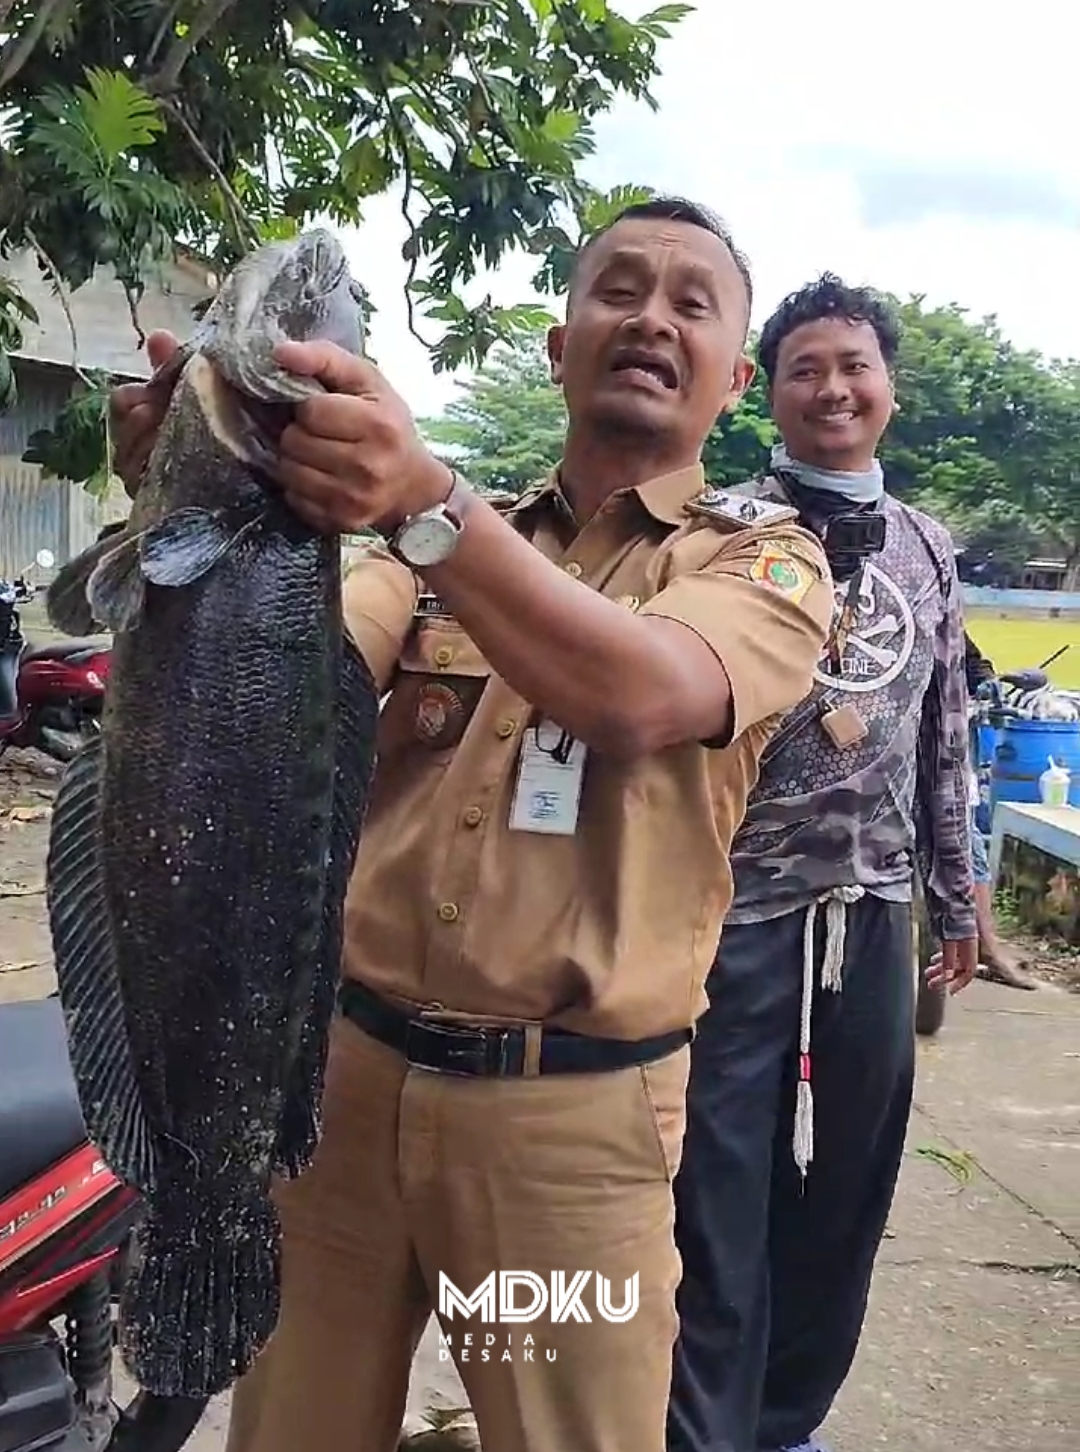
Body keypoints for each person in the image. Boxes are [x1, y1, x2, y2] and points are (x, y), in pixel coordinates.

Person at [109, 197, 834, 1452]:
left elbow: (641, 693)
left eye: (691, 303)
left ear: (732, 380)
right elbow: (277, 669)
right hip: (335, 1093)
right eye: (617, 289)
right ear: (562, 347)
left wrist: (433, 506)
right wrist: (194, 494)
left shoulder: (764, 565)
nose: (650, 318)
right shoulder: (414, 547)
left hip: (565, 1140)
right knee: (292, 1433)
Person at [667, 274, 979, 1452]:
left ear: (889, 389)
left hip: (878, 906)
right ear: (769, 392)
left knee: (849, 1182)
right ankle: (709, 1422)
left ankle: (788, 1419)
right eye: (805, 368)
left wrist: (957, 891)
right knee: (720, 1180)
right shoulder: (727, 529)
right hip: (739, 911)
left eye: (854, 366)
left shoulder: (929, 548)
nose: (833, 388)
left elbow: (944, 730)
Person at [962, 632, 1037, 990]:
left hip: (935, 737)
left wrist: (987, 685)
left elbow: (972, 660)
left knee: (964, 834)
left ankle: (986, 947)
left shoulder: (930, 596)